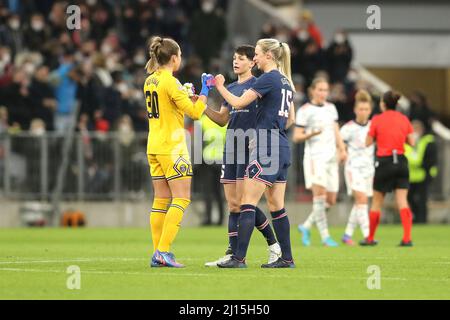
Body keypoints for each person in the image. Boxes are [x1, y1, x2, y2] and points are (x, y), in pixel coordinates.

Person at [214, 38, 296, 268]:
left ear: (269, 55)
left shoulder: (269, 78)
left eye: (257, 54)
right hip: (281, 145)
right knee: (276, 206)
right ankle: (287, 258)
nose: (256, 58)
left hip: (266, 145)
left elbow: (239, 103)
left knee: (247, 202)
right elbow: (291, 119)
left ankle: (238, 258)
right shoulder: (286, 81)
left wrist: (220, 86)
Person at [145, 36, 214, 268]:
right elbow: (195, 112)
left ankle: (157, 251)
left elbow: (169, 105)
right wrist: (205, 90)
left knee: (161, 199)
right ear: (174, 58)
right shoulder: (170, 82)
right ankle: (163, 251)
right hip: (172, 147)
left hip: (154, 145)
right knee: (182, 198)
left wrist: (184, 93)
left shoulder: (150, 80)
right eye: (180, 55)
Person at [293, 77, 347, 247]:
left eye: (326, 90)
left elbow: (335, 129)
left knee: (330, 200)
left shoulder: (331, 108)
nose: (323, 93)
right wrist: (312, 134)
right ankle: (325, 237)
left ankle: (306, 226)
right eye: (320, 90)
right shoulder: (305, 110)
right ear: (312, 91)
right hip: (315, 158)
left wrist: (342, 148)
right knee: (320, 197)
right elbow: (296, 136)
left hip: (331, 157)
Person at [364, 90, 415, 247]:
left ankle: (370, 238)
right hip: (401, 161)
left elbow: (367, 142)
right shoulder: (404, 119)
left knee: (377, 202)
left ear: (383, 104)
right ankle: (407, 238)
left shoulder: (377, 119)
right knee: (402, 201)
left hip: (384, 162)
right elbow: (411, 142)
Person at [339, 90, 374, 245]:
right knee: (362, 199)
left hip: (369, 169)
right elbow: (339, 145)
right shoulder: (348, 128)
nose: (363, 112)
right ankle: (368, 235)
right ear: (355, 110)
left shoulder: (373, 126)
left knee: (360, 203)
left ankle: (347, 235)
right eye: (361, 109)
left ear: (370, 110)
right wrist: (341, 153)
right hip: (353, 168)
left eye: (366, 109)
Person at [405, 120, 438, 224]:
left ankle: (422, 220)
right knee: (410, 198)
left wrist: (420, 165)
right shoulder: (407, 142)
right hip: (410, 176)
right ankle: (415, 218)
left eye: (417, 129)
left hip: (424, 175)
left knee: (422, 199)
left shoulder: (428, 141)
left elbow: (431, 159)